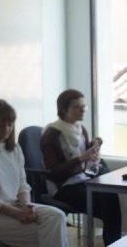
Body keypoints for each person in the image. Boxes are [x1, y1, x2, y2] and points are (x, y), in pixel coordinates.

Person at [0, 99, 68, 247]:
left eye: (10, 125)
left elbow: (22, 184)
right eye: (0, 125)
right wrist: (16, 213)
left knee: (58, 216)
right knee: (48, 232)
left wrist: (26, 206)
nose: (6, 130)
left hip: (15, 205)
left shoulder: (15, 148)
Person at [41, 89, 122, 246]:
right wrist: (81, 158)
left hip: (81, 180)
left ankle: (113, 243)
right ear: (64, 110)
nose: (83, 109)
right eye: (77, 106)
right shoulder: (51, 134)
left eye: (83, 106)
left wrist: (94, 145)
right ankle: (113, 242)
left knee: (110, 198)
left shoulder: (80, 128)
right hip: (63, 187)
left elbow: (83, 156)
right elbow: (54, 171)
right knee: (108, 202)